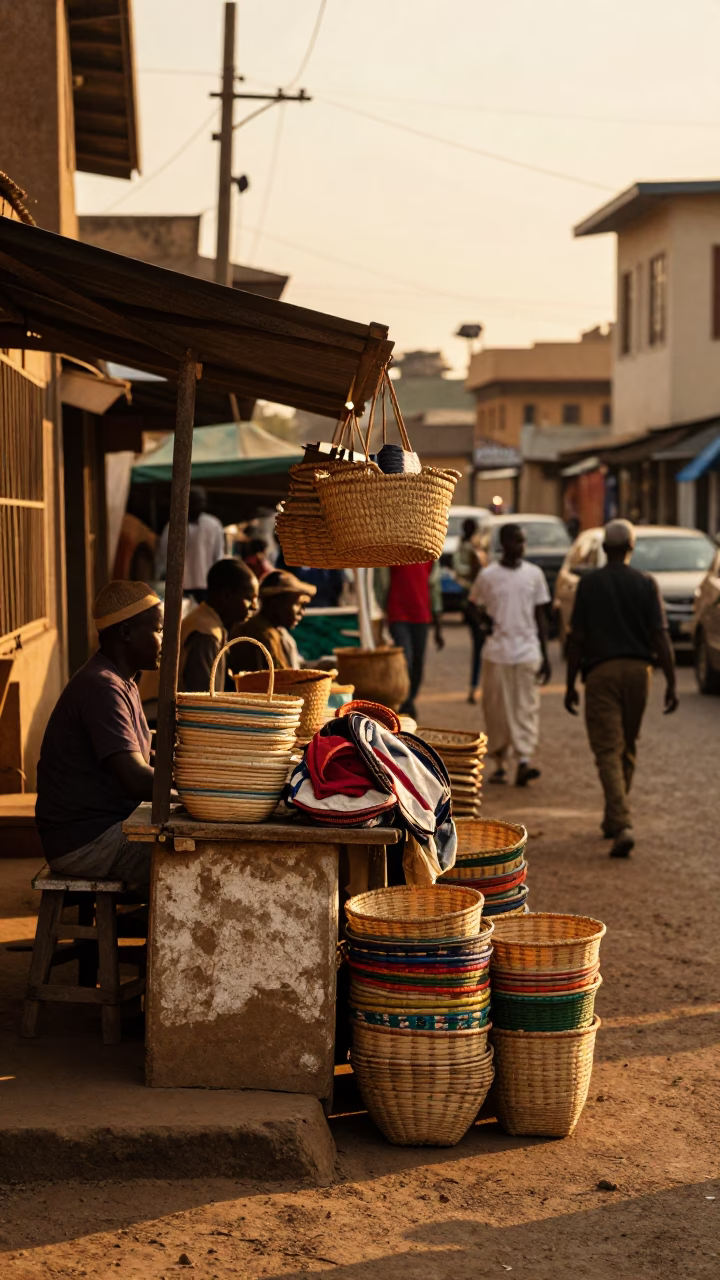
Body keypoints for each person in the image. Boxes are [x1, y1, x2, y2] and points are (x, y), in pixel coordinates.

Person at [35, 582, 163, 885]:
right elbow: (135, 779)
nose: (164, 641)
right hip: (85, 842)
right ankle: (149, 926)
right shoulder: (103, 687)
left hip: (103, 829)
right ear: (127, 633)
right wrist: (197, 788)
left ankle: (147, 923)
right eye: (158, 631)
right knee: (195, 858)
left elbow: (140, 754)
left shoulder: (122, 682)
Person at [564, 518, 678, 858]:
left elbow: (577, 639)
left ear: (603, 548)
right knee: (626, 746)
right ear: (631, 548)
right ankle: (614, 818)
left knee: (607, 750)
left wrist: (570, 683)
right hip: (639, 673)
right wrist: (671, 681)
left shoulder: (589, 585)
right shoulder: (646, 583)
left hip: (600, 675)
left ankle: (623, 822)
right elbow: (660, 635)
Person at [469, 523, 551, 786]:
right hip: (497, 653)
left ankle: (524, 761)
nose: (521, 547)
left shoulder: (534, 575)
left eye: (523, 541)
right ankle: (500, 764)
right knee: (497, 711)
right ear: (504, 544)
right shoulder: (488, 576)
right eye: (516, 541)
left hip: (527, 652)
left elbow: (541, 617)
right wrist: (483, 626)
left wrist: (546, 655)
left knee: (526, 708)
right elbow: (470, 606)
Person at [377, 562, 444, 720]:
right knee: (405, 660)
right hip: (398, 613)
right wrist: (382, 612)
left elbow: (434, 586)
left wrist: (438, 623)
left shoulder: (430, 555)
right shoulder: (394, 552)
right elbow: (382, 584)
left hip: (421, 614)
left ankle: (410, 699)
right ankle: (405, 702)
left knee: (418, 662)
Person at [180, 558, 258, 693]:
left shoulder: (210, 624)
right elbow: (201, 701)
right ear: (226, 595)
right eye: (248, 598)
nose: (254, 606)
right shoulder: (206, 634)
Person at [230, 569, 316, 671]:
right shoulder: (262, 634)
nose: (302, 611)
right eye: (297, 604)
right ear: (275, 603)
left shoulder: (279, 632)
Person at [155, 486, 224, 597]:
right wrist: (161, 575)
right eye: (196, 500)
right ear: (187, 500)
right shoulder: (174, 525)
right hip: (179, 585)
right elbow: (164, 554)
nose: (199, 504)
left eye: (202, 501)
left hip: (204, 583)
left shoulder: (214, 525)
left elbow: (218, 555)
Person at [452, 518, 487, 704]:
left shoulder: (474, 546)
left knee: (481, 648)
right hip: (473, 600)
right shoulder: (468, 547)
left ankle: (477, 688)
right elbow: (461, 569)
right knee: (480, 646)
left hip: (476, 598)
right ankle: (475, 688)